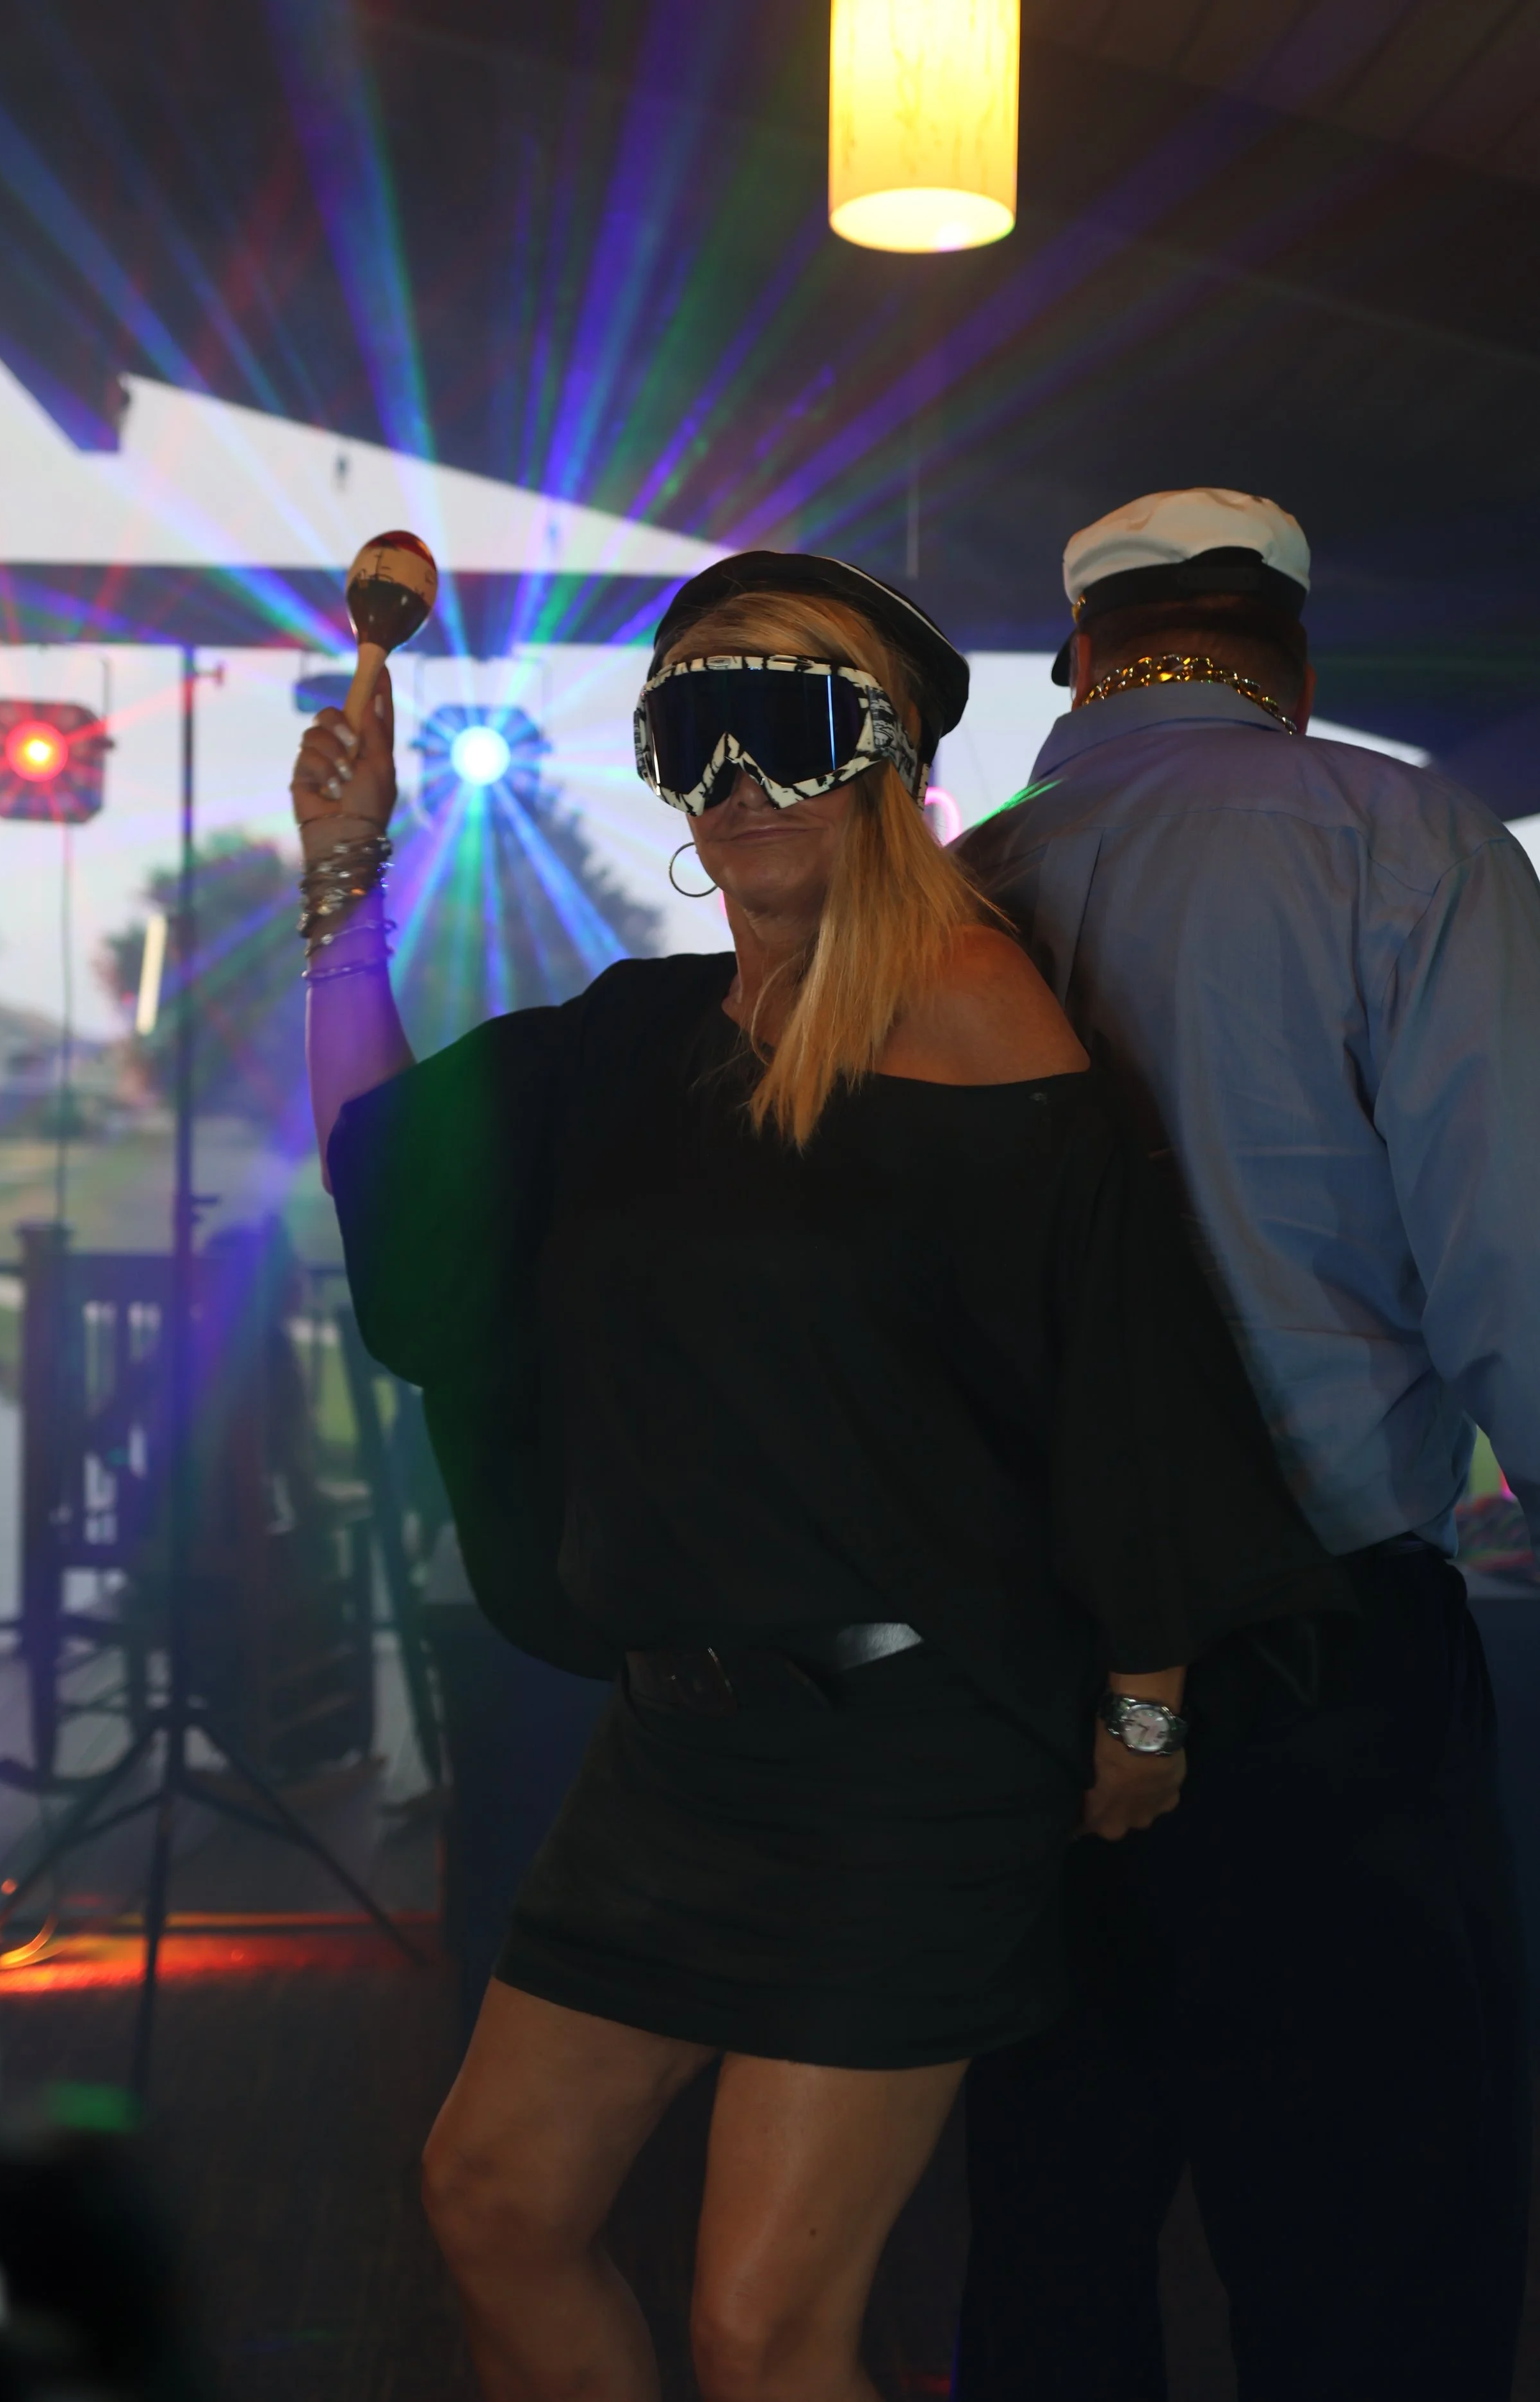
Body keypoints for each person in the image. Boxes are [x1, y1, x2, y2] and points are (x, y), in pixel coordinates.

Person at [291, 549, 1348, 2402]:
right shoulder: (640, 1037)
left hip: (905, 1761)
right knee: (495, 2200)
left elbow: (1116, 1368)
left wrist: (1149, 1695)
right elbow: (401, 1175)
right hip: (676, 1750)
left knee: (764, 2329)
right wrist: (343, 880)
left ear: (890, 759)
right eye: (692, 735)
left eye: (782, 724)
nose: (737, 783)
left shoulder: (978, 1014)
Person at [953, 488, 1538, 2402]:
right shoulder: (1402, 840)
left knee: (1047, 2236)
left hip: (1019, 1683)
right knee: (1377, 2255)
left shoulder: (955, 889)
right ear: (1289, 655)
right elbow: (1513, 1268)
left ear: (1080, 659)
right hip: (1325, 1662)